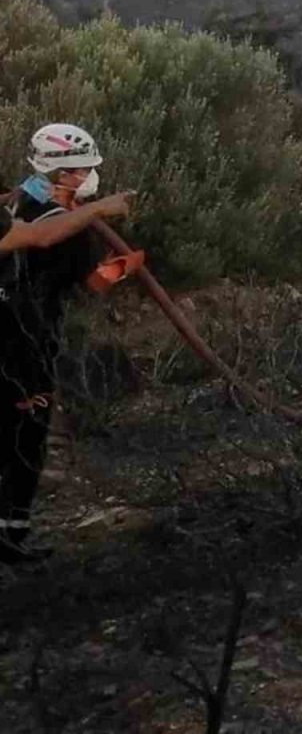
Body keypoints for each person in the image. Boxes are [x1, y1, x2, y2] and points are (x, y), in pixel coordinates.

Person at [1, 124, 138, 564]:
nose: (90, 174)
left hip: (13, 329)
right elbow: (91, 281)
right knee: (26, 432)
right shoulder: (72, 228)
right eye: (83, 168)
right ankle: (11, 535)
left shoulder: (28, 194)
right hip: (28, 339)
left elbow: (24, 195)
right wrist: (126, 267)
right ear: (67, 172)